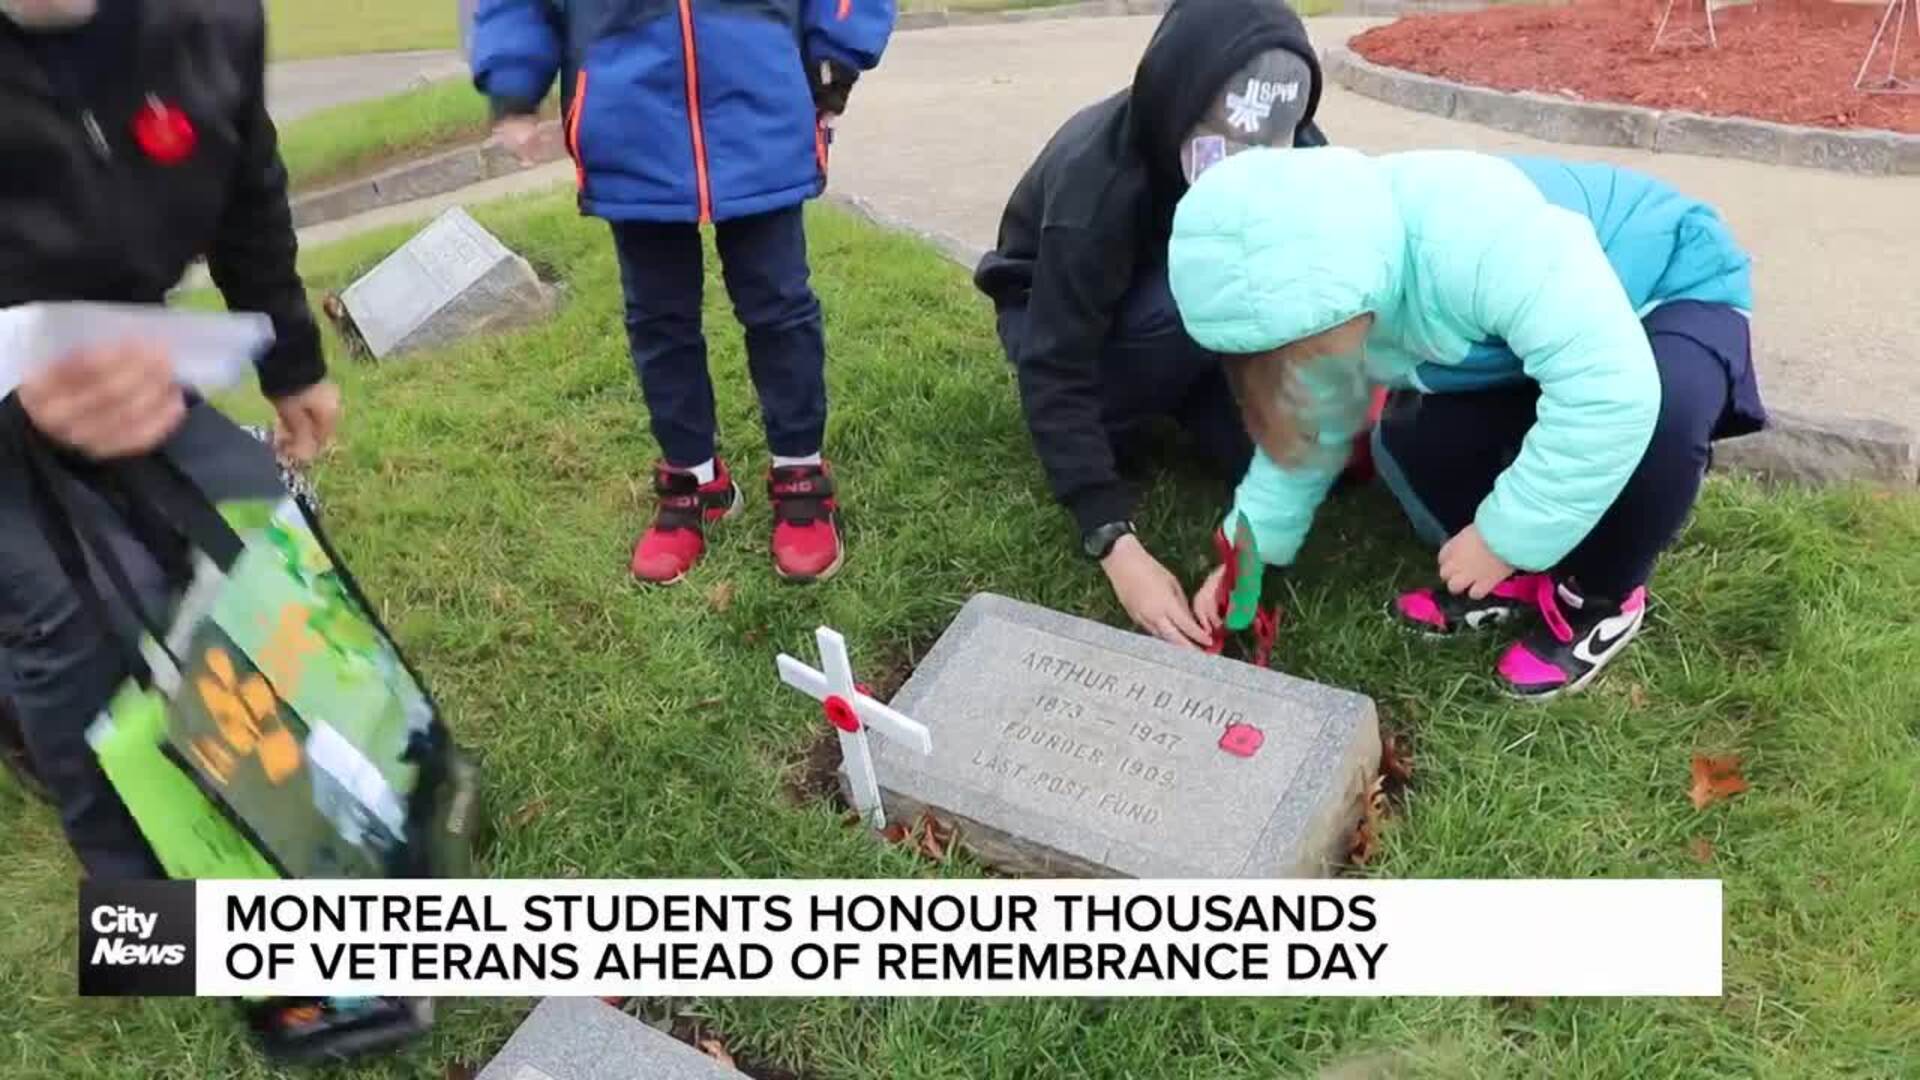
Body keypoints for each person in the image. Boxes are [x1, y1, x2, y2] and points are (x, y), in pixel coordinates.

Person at [1171, 146, 1764, 699]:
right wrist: (1242, 561)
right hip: (1518, 333)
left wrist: (1502, 537)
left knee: (1660, 417)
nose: (1297, 370)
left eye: (1301, 351)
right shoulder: (1323, 296)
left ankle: (1600, 596)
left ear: (1348, 295)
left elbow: (1611, 389)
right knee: (1416, 442)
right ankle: (1530, 567)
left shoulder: (1477, 239)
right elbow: (1302, 430)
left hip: (1665, 287)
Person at [0, 0, 342, 877]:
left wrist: (294, 363)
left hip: (134, 349)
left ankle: (312, 790)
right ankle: (144, 900)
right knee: (63, 621)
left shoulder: (211, 18)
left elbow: (246, 188)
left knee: (262, 536)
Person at [471, 0, 894, 584]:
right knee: (659, 319)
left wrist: (839, 50)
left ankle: (800, 474)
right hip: (628, 118)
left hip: (760, 102)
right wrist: (514, 81)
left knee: (779, 306)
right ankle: (694, 481)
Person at [974, 0, 1329, 649]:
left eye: (1267, 152)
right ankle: (1136, 409)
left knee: (1256, 452)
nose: (1247, 175)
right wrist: (1114, 543)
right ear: (1178, 106)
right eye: (1225, 149)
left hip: (1171, 306)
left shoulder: (1303, 152)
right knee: (1192, 290)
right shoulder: (1096, 187)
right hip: (1057, 314)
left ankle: (1190, 386)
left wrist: (1253, 541)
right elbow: (1056, 369)